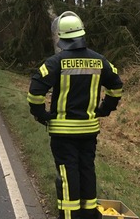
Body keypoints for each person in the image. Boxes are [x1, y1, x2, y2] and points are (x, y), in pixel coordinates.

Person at [27, 11, 123, 219]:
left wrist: (41, 114)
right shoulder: (99, 61)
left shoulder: (55, 62)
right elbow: (116, 87)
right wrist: (105, 109)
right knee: (86, 168)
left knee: (67, 172)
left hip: (63, 133)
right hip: (89, 130)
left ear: (61, 36)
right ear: (81, 34)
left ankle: (69, 216)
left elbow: (35, 93)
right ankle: (88, 213)